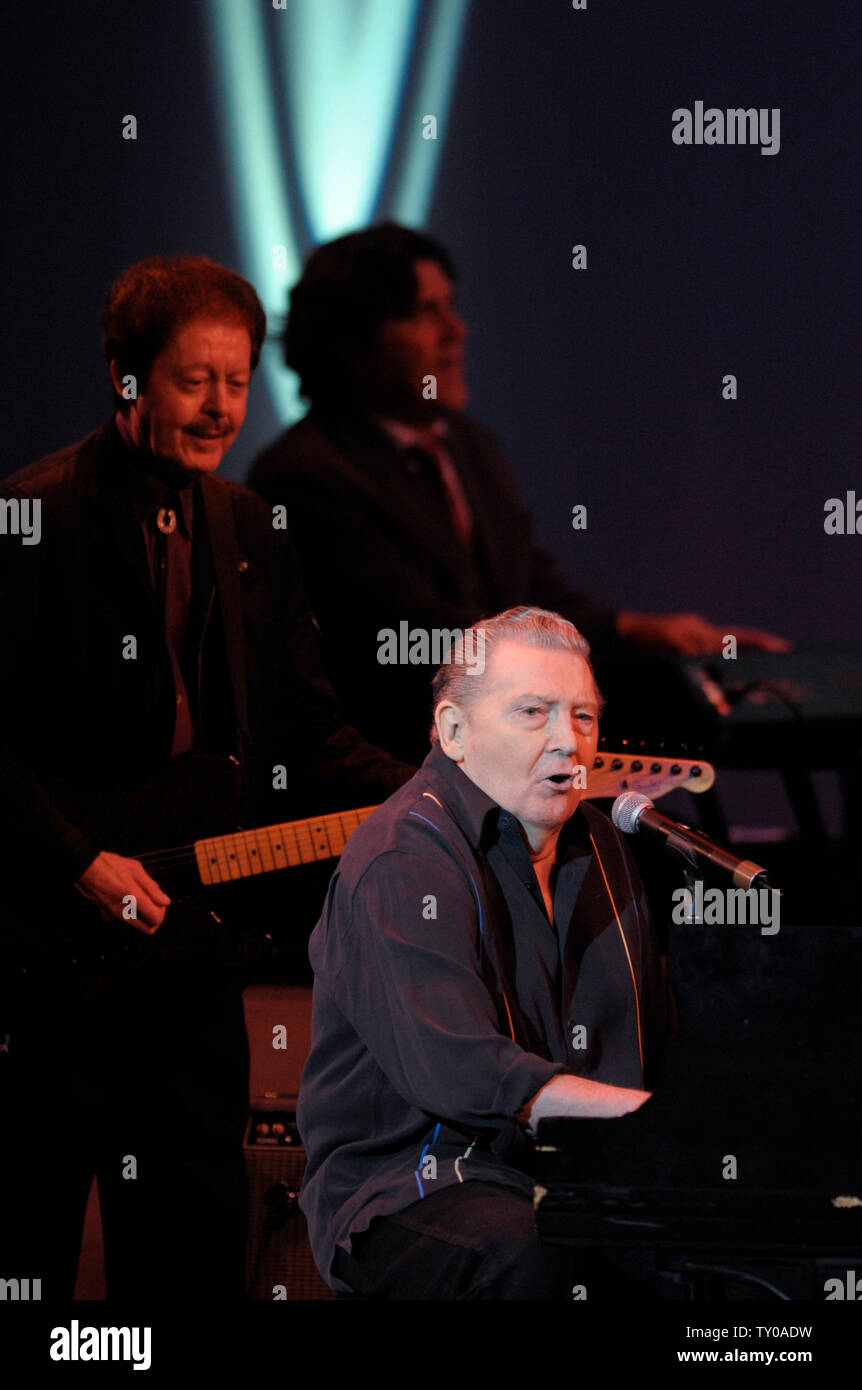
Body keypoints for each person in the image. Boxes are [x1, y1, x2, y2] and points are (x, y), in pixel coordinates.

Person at [0, 255, 410, 1301]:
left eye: (238, 379)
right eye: (194, 379)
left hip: (187, 959)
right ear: (125, 379)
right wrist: (80, 860)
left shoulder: (248, 527)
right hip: (42, 959)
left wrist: (435, 789)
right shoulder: (31, 516)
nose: (223, 406)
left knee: (188, 1253)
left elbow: (311, 729)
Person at [249, 222, 786, 764]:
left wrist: (645, 631)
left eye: (450, 306)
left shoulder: (469, 447)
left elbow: (529, 587)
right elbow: (418, 636)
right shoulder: (304, 475)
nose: (456, 330)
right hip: (409, 778)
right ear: (351, 341)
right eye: (423, 312)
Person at [297, 606, 676, 1300]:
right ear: (453, 732)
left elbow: (662, 1038)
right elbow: (466, 1074)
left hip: (576, 1170)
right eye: (534, 712)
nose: (570, 742)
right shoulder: (402, 856)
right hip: (419, 1183)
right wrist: (653, 1122)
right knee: (523, 1250)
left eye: (584, 717)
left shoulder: (605, 847)